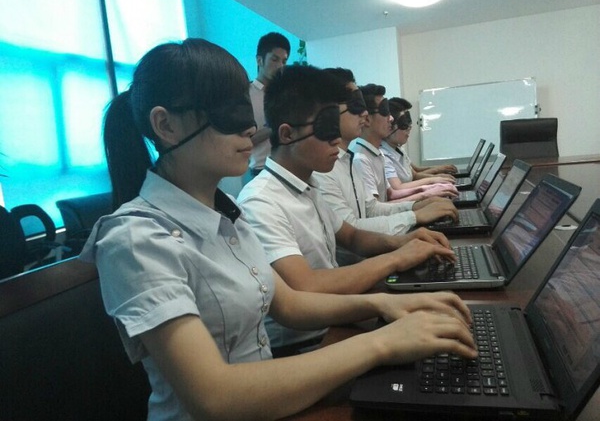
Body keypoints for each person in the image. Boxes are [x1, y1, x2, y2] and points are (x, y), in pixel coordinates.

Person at [79, 39, 476, 421]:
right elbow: (215, 396)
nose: (250, 128)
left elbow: (288, 303)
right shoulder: (136, 239)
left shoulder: (226, 213)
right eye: (227, 111)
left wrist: (383, 306)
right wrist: (382, 342)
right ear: (165, 125)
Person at [237, 65, 462, 354]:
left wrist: (406, 241)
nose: (336, 140)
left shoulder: (307, 185)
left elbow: (352, 236)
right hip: (308, 345)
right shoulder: (261, 201)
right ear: (287, 134)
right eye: (326, 129)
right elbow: (307, 285)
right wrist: (397, 258)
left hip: (338, 319)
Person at [313, 67, 458, 237]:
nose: (364, 113)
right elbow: (352, 231)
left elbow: (371, 209)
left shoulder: (348, 160)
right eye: (355, 105)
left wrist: (418, 206)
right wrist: (415, 215)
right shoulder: (331, 168)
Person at [381, 98, 459, 199]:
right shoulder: (383, 155)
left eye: (409, 123)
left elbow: (414, 174)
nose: (409, 128)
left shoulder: (398, 149)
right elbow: (397, 188)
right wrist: (433, 180)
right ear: (389, 127)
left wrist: (438, 177)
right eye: (404, 125)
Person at [244, 32, 290, 184]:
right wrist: (275, 126)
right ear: (259, 60)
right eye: (274, 59)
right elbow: (244, 141)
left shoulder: (285, 94)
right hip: (261, 170)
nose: (280, 66)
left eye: (284, 61)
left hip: (290, 167)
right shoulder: (245, 95)